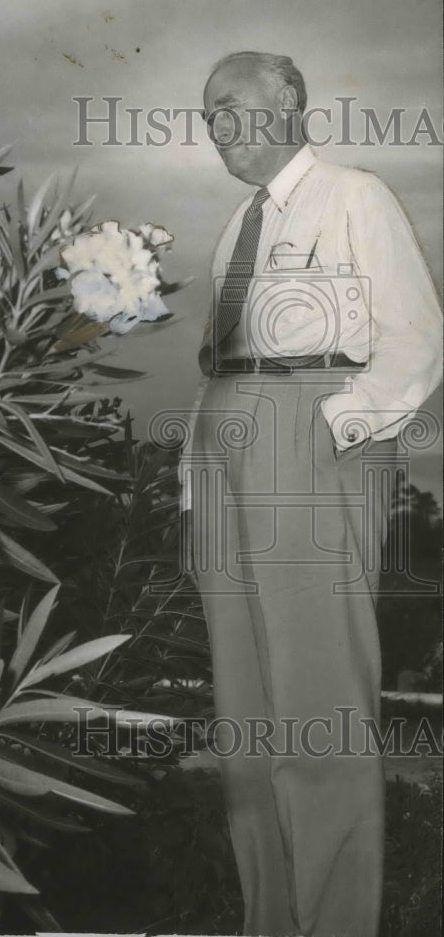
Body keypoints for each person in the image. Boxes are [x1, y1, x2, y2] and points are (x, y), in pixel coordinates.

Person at [181, 51, 442, 937]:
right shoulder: (235, 227)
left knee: (318, 702)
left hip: (310, 438)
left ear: (289, 98)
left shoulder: (355, 196)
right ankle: (270, 919)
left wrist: (333, 426)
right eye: (207, 116)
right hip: (225, 450)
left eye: (230, 105)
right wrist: (196, 476)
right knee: (246, 717)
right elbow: (220, 364)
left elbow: (416, 337)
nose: (217, 125)